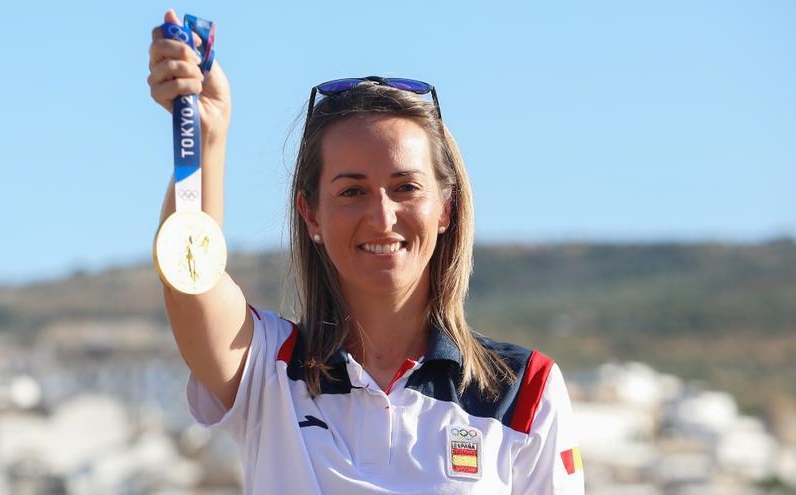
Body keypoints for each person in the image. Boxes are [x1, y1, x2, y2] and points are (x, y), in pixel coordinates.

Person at [148, 10, 584, 494]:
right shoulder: (268, 369)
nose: (381, 216)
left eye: (405, 188)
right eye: (352, 192)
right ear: (310, 215)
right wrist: (205, 134)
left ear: (446, 208)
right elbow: (190, 274)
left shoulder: (525, 390)